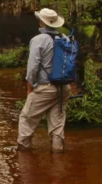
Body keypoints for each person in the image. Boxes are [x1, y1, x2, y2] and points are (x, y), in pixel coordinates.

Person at [17, 8, 71, 152]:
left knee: (26, 119)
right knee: (57, 126)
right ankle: (58, 158)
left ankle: (23, 154)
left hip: (45, 88)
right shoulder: (65, 38)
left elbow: (32, 68)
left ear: (42, 22)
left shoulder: (38, 40)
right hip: (63, 88)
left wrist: (30, 89)